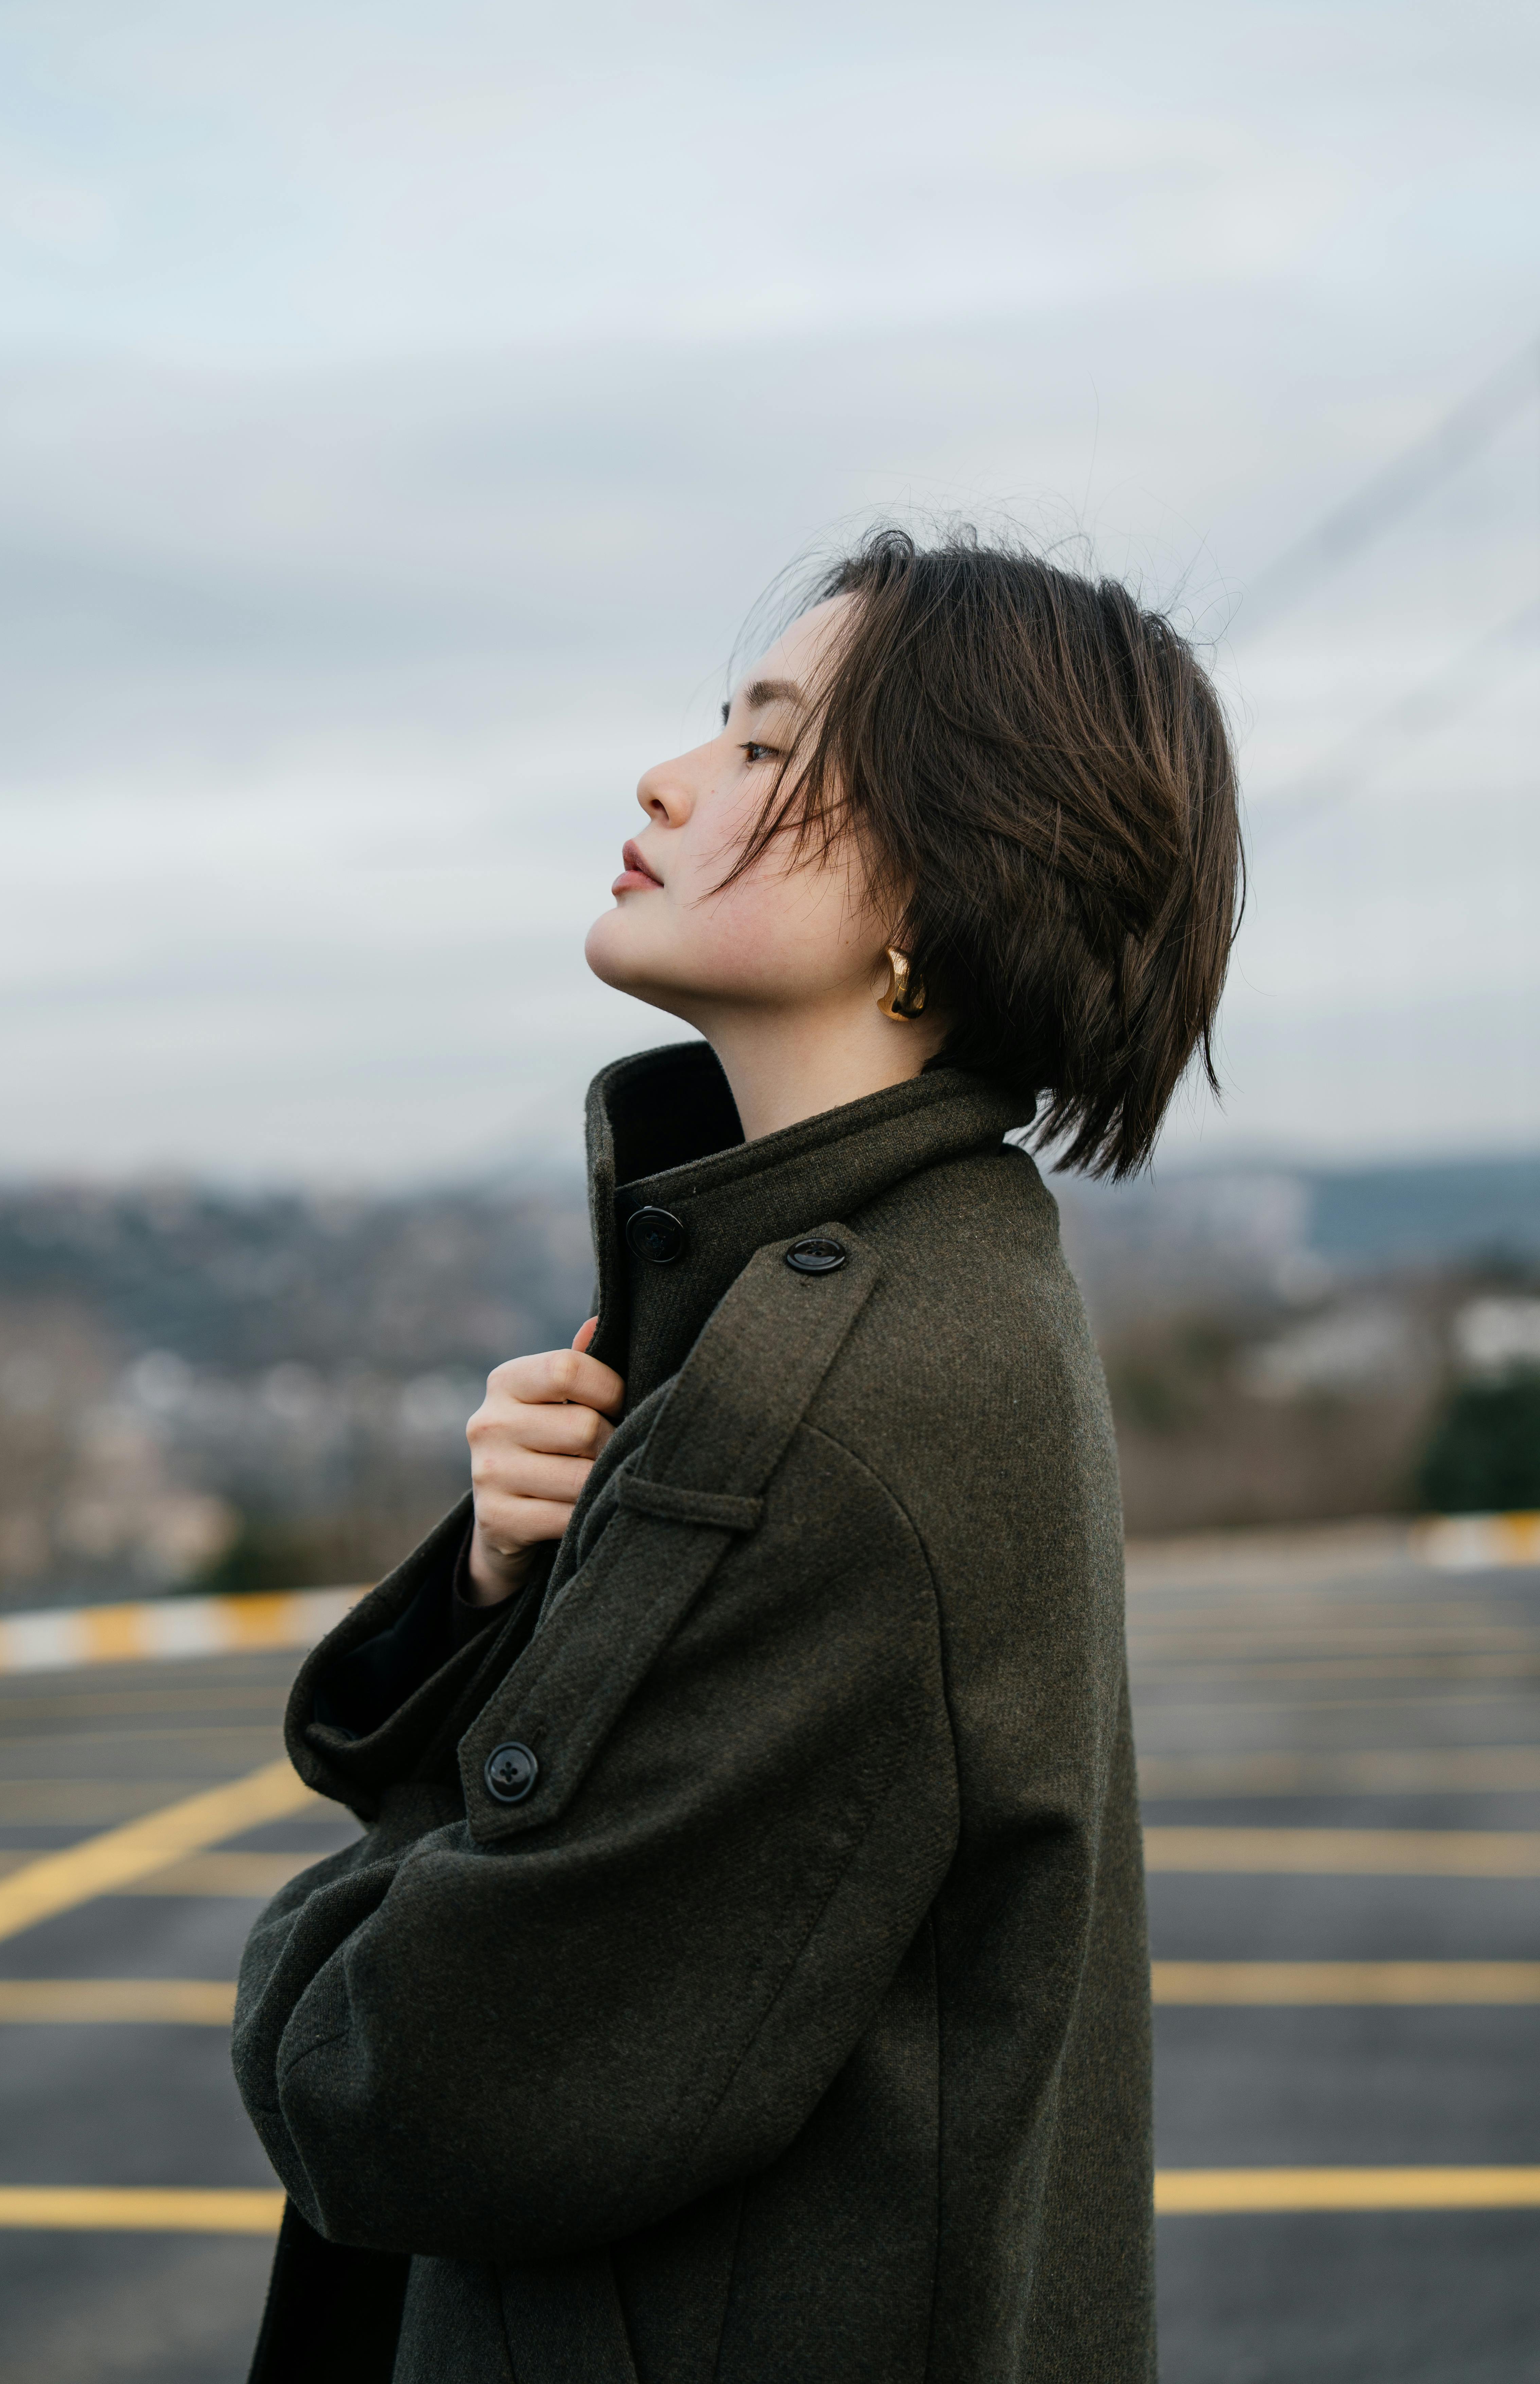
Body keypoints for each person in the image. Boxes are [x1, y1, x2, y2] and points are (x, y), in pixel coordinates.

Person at [233, 525, 1242, 2384]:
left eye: (769, 745)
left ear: (947, 872)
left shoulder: (851, 1387)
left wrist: (326, 1926)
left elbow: (400, 2083)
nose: (669, 777)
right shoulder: (933, 1272)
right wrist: (509, 1582)